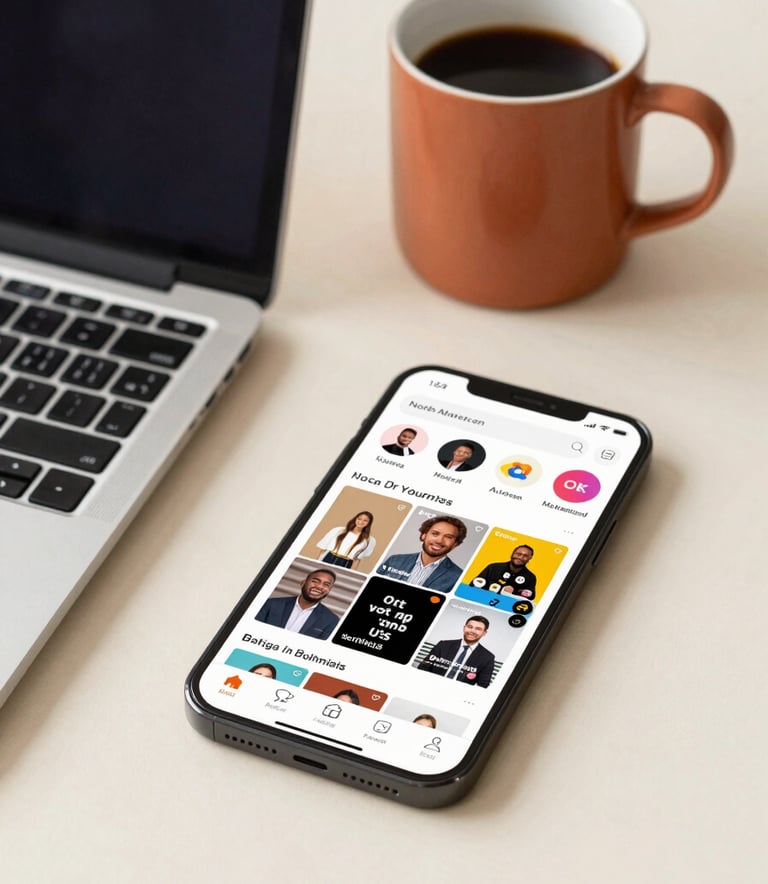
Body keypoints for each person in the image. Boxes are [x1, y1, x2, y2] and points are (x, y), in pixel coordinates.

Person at [377, 515, 466, 592]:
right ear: (423, 535)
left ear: (456, 544)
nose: (439, 540)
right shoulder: (394, 560)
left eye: (448, 537)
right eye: (435, 534)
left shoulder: (458, 577)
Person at [255, 568, 339, 639]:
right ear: (303, 583)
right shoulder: (271, 604)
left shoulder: (331, 620)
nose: (319, 586)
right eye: (315, 581)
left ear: (329, 590)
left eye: (326, 584)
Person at [417, 615, 495, 688]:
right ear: (464, 628)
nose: (472, 631)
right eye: (470, 627)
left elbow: (483, 685)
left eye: (478, 629)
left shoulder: (488, 657)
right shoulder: (443, 645)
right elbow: (423, 667)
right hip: (431, 685)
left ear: (484, 633)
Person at [471, 545, 537, 600]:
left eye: (525, 556)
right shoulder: (493, 567)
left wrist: (515, 591)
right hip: (483, 600)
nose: (520, 557)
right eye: (518, 554)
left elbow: (531, 596)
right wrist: (500, 589)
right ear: (512, 554)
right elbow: (474, 584)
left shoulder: (530, 577)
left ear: (530, 558)